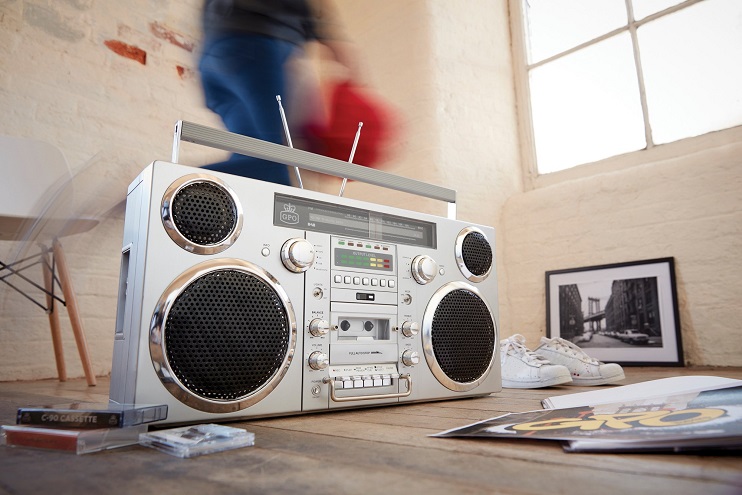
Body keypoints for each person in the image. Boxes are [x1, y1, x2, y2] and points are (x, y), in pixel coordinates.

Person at [198, 0, 357, 185]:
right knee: (273, 165)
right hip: (254, 46)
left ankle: (183, 193)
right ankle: (172, 185)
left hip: (215, 55)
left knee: (255, 160)